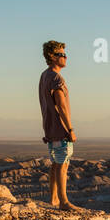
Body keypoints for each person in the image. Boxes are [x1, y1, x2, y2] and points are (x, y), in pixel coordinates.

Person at [38, 40, 80, 210]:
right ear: (52, 57)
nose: (65, 57)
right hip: (61, 129)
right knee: (63, 165)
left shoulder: (44, 76)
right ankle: (64, 202)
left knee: (55, 164)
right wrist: (70, 129)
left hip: (50, 129)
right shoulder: (56, 78)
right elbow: (61, 105)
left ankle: (53, 199)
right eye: (62, 54)